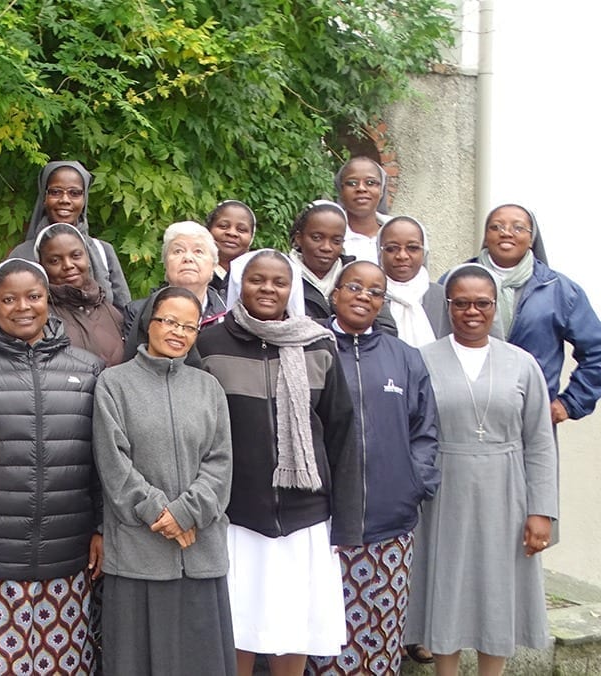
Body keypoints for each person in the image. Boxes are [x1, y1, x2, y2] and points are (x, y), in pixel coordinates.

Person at [195, 249, 362, 676]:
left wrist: (345, 519)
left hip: (305, 515)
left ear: (292, 290)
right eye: (257, 280)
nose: (268, 289)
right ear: (239, 286)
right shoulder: (209, 343)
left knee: (295, 626)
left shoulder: (318, 344)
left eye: (279, 282)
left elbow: (341, 431)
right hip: (235, 515)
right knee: (237, 626)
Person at [406, 264, 557, 676]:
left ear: (495, 307)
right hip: (443, 488)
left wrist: (541, 510)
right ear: (448, 306)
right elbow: (410, 432)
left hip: (506, 489)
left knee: (498, 587)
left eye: (482, 303)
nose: (472, 311)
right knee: (446, 583)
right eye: (461, 303)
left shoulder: (522, 364)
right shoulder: (421, 360)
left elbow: (540, 441)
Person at [0, 258, 106, 675]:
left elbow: (101, 460)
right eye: (9, 299)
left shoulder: (87, 368)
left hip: (68, 554)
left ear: (48, 300)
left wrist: (100, 527)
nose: (23, 307)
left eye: (34, 296)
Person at [94, 286, 237, 676]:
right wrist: (161, 513)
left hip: (200, 551)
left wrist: (187, 512)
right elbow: (114, 463)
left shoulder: (208, 387)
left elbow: (220, 462)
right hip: (140, 550)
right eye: (169, 321)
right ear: (148, 323)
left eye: (189, 326)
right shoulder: (114, 384)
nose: (178, 332)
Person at [306, 262, 440, 676]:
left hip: (389, 528)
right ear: (335, 293)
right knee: (323, 641)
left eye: (375, 291)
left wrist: (414, 484)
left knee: (380, 645)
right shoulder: (309, 349)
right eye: (355, 286)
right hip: (322, 525)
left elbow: (426, 430)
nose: (364, 296)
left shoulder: (404, 358)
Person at [457, 203, 601, 426]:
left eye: (518, 228)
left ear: (532, 238)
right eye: (496, 226)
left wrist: (571, 402)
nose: (506, 232)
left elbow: (597, 350)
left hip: (532, 418)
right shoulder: (455, 282)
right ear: (485, 236)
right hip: (465, 414)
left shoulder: (559, 290)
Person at [9, 161, 132, 309]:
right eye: (56, 192)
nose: (65, 200)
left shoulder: (103, 252)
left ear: (84, 199)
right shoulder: (22, 256)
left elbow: (124, 311)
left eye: (74, 193)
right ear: (44, 197)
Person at [123, 221, 227, 357]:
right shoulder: (138, 312)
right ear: (165, 264)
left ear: (213, 265)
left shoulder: (229, 315)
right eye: (178, 251)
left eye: (198, 251)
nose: (188, 258)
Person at [35, 223, 126, 367]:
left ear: (88, 258)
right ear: (42, 266)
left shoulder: (111, 311)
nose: (68, 265)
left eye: (76, 255)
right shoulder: (40, 318)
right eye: (55, 261)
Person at [378, 216, 451, 346]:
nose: (402, 256)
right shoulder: (371, 295)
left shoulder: (442, 297)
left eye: (412, 248)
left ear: (424, 252)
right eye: (391, 248)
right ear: (379, 252)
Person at [290, 200, 353, 321]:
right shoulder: (281, 274)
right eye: (317, 238)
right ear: (299, 238)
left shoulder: (356, 275)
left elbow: (386, 328)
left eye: (336, 241)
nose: (326, 248)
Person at [335, 157, 389, 262]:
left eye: (370, 183)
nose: (361, 188)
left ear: (381, 190)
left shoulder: (400, 231)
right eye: (352, 183)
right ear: (341, 191)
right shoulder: (329, 236)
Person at [206, 200, 257, 295]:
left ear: (251, 237)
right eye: (223, 226)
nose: (232, 233)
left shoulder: (257, 277)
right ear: (209, 230)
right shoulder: (195, 270)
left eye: (241, 230)